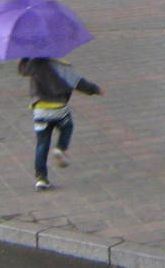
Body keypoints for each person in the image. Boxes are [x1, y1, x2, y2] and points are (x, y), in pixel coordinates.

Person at [18, 56, 102, 190]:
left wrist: (25, 57)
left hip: (40, 110)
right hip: (59, 107)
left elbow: (23, 69)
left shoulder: (32, 65)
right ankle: (60, 148)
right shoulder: (61, 66)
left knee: (42, 144)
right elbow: (78, 82)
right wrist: (95, 89)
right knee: (67, 126)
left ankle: (41, 179)